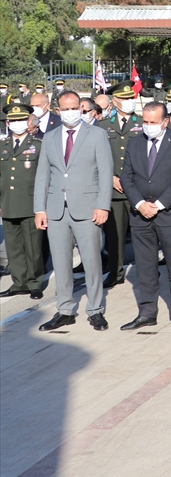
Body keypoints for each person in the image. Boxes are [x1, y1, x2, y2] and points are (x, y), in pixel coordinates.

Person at [34, 91, 113, 331]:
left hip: (87, 208)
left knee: (91, 261)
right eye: (65, 108)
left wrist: (102, 205)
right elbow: (43, 175)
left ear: (81, 108)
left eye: (75, 107)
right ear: (58, 110)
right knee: (61, 263)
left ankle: (96, 310)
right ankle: (65, 309)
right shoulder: (50, 137)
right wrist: (39, 209)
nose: (71, 112)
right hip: (57, 209)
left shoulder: (97, 135)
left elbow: (105, 173)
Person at [119, 101, 171, 332]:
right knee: (145, 267)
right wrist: (141, 204)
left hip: (170, 214)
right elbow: (126, 178)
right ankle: (147, 312)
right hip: (141, 215)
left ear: (164, 121)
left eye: (153, 122)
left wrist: (159, 205)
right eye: (145, 122)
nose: (148, 126)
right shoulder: (134, 143)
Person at [98, 80, 141, 288]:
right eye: (124, 99)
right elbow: (97, 159)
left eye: (130, 98)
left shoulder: (143, 124)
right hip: (114, 190)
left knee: (143, 235)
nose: (128, 102)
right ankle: (115, 272)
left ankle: (145, 272)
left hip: (138, 189)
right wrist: (111, 178)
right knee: (114, 236)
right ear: (114, 101)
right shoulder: (102, 126)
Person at [0, 104, 45, 300]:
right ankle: (19, 282)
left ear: (28, 122)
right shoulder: (2, 146)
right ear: (8, 123)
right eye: (13, 120)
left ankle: (34, 282)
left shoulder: (38, 144)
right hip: (8, 202)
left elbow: (45, 176)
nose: (17, 124)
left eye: (21, 120)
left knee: (33, 246)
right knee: (13, 245)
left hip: (30, 202)